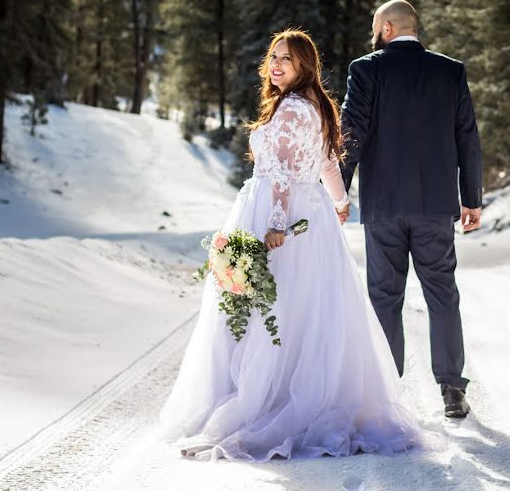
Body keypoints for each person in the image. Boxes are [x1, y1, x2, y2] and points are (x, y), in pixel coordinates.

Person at [160, 29, 421, 461]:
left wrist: (277, 224)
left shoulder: (292, 109)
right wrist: (339, 200)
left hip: (280, 212)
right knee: (302, 306)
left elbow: (281, 171)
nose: (277, 64)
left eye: (288, 59)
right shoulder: (314, 106)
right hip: (310, 208)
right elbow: (327, 161)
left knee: (271, 305)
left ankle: (268, 398)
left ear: (305, 67)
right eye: (274, 56)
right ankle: (291, 389)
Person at [339, 0, 483, 419]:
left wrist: (338, 194)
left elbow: (352, 131)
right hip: (436, 205)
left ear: (385, 28)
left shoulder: (366, 69)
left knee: (385, 297)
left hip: (384, 204)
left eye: (373, 26)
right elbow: (467, 136)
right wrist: (470, 197)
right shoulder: (450, 70)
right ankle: (452, 390)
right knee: (442, 293)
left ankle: (388, 396)